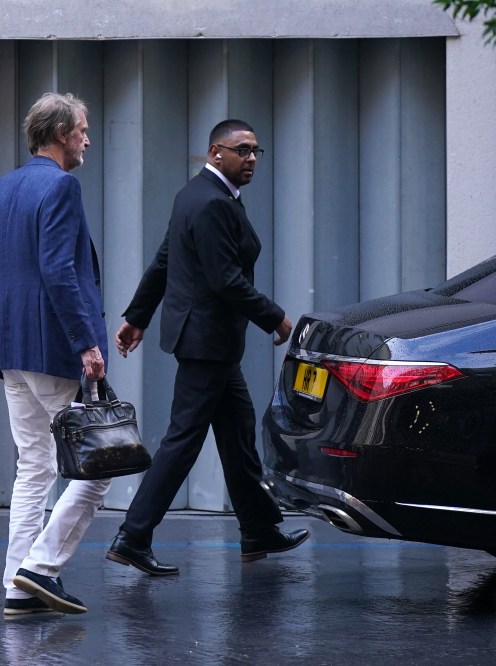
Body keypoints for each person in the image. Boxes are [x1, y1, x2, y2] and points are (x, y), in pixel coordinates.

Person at [105, 119, 309, 575]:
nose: (252, 158)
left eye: (257, 150)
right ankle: (132, 536)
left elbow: (165, 259)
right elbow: (225, 280)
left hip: (209, 342)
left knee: (237, 434)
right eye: (242, 150)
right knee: (183, 440)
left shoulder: (194, 195)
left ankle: (257, 530)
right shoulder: (212, 203)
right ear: (217, 152)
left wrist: (137, 316)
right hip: (206, 342)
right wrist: (275, 317)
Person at [0, 92, 110, 616]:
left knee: (33, 467)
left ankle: (18, 586)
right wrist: (87, 343)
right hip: (53, 347)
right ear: (60, 133)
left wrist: (2, 337)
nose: (86, 138)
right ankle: (41, 568)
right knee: (97, 467)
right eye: (81, 129)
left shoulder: (4, 187)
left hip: (11, 344)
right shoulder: (61, 186)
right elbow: (59, 271)